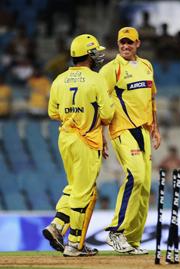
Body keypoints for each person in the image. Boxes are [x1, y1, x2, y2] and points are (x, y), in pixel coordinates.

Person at [42, 34, 114, 257]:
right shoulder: (96, 79)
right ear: (90, 55)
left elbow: (52, 113)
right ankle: (74, 244)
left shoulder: (59, 80)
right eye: (95, 52)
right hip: (87, 140)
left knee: (73, 187)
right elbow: (108, 114)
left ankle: (56, 226)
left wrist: (72, 114)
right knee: (84, 191)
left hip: (65, 138)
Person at [99, 27, 161, 255]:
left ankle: (132, 240)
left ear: (138, 44)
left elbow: (151, 98)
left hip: (143, 131)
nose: (125, 46)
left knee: (144, 185)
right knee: (135, 176)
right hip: (122, 129)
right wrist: (101, 136)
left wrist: (155, 127)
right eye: (122, 43)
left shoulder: (146, 66)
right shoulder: (111, 69)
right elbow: (100, 103)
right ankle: (116, 231)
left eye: (129, 43)